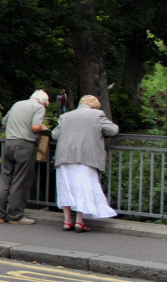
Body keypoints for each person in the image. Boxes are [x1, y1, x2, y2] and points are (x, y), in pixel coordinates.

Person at [51, 94, 119, 231]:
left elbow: (54, 135)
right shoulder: (97, 114)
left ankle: (67, 221)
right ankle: (79, 221)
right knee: (82, 189)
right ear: (94, 105)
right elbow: (113, 130)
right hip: (85, 157)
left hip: (64, 156)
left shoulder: (66, 116)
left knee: (66, 188)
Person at [0, 89, 51, 224]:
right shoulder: (38, 107)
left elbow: (4, 122)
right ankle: (15, 216)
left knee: (5, 179)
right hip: (24, 146)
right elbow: (35, 127)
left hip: (9, 144)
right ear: (43, 103)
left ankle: (0, 215)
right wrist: (44, 128)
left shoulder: (17, 104)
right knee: (20, 180)